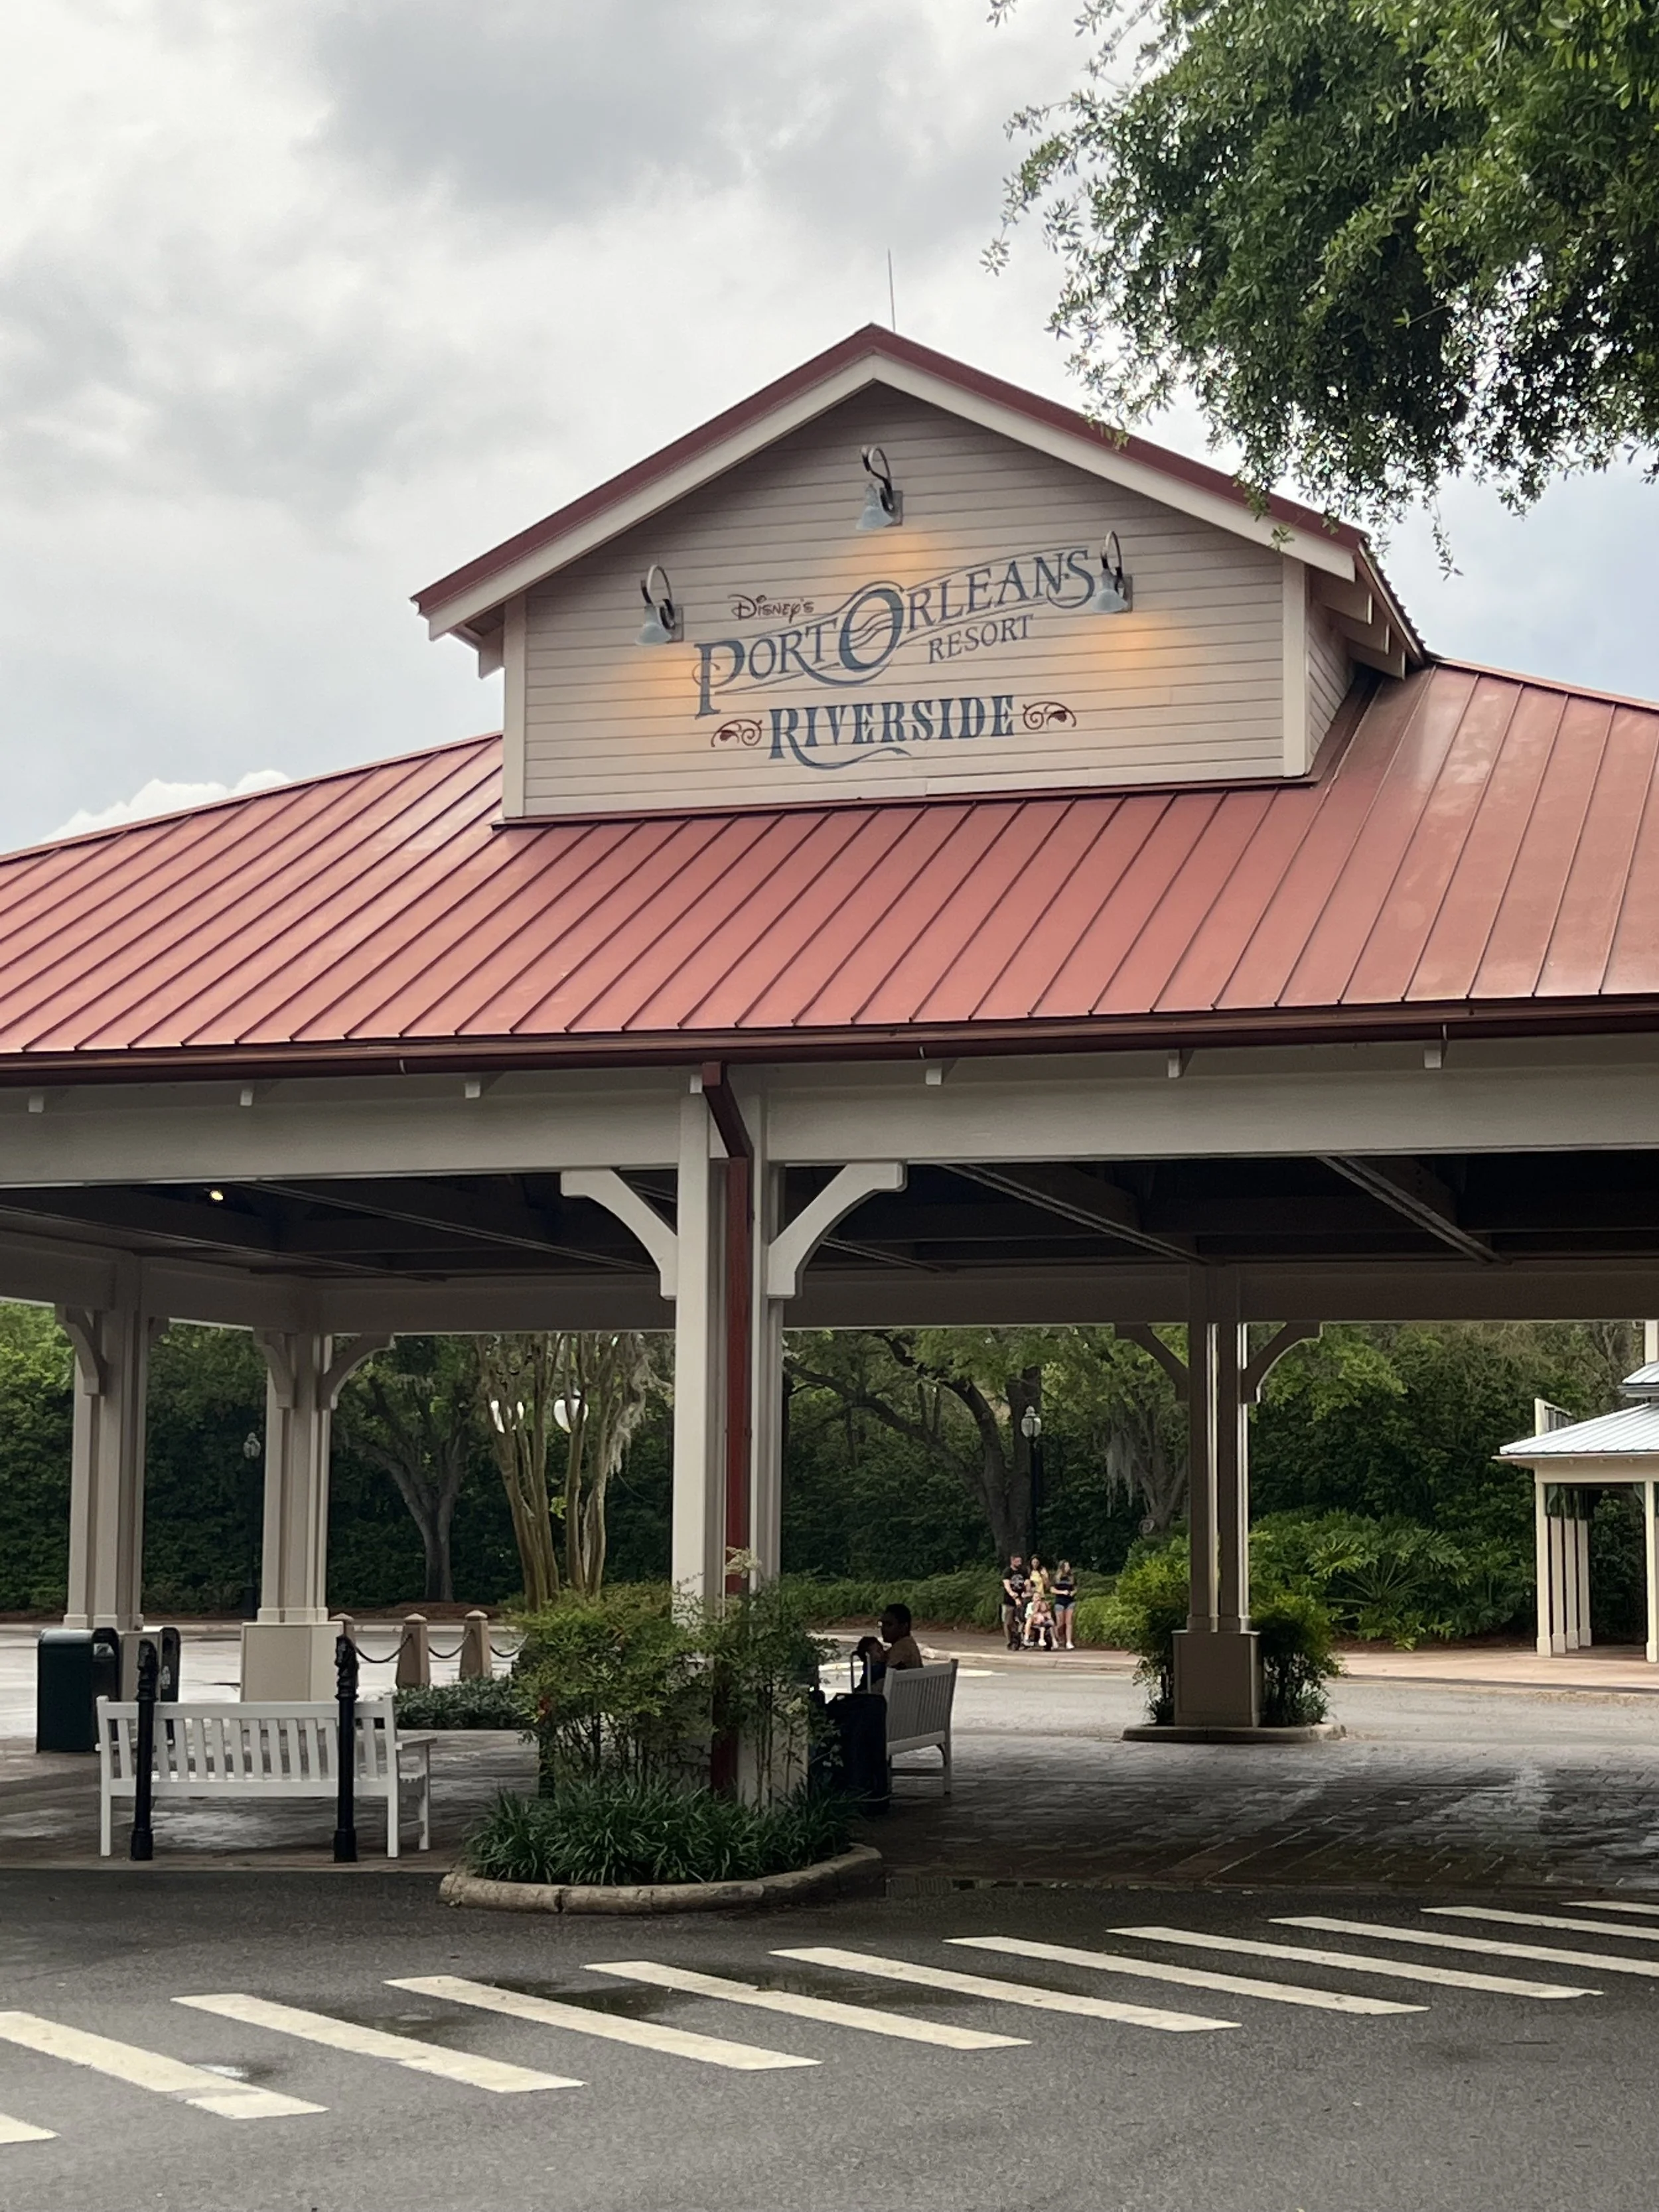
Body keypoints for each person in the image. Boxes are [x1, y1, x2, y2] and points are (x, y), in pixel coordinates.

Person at [855, 1603, 924, 1685]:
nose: (884, 1629)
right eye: (882, 1624)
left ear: (904, 1627)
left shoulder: (901, 1649)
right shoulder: (908, 1645)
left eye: (889, 1625)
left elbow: (885, 1682)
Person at [1000, 1555, 1028, 1650]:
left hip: (1022, 1599)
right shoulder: (1007, 1572)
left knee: (1021, 1621)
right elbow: (1007, 1586)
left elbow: (1027, 1582)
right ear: (1012, 1561)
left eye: (1020, 1561)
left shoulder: (1024, 1571)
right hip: (1009, 1601)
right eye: (1017, 1561)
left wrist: (1026, 1590)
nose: (1019, 1563)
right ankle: (1010, 1641)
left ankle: (1021, 1640)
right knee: (1008, 1622)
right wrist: (1013, 1595)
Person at [1051, 1559, 1078, 1651]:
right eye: (1066, 1566)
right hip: (1060, 1601)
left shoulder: (1072, 1577)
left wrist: (1073, 1593)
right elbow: (1052, 1590)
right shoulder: (1056, 1578)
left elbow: (1075, 1588)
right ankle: (1056, 1637)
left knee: (1069, 1622)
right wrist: (1062, 1592)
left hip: (1070, 1601)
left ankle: (1069, 1642)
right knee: (1060, 1623)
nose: (1068, 1568)